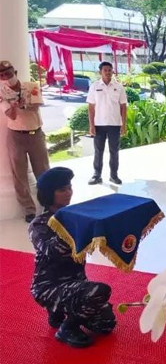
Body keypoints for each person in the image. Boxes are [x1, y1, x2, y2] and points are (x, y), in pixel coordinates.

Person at [29, 167, 116, 348]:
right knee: (101, 291)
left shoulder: (75, 216)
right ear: (48, 194)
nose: (68, 192)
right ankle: (67, 327)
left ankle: (58, 312)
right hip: (48, 287)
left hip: (75, 283)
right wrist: (77, 226)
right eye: (62, 190)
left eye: (69, 187)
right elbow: (54, 251)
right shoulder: (39, 224)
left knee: (106, 324)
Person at [0, 60, 50, 223]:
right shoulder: (2, 92)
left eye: (8, 73)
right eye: (1, 75)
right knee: (19, 174)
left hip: (35, 133)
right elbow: (11, 115)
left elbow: (37, 105)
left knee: (43, 170)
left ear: (15, 72)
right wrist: (14, 106)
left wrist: (24, 104)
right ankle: (29, 210)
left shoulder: (30, 86)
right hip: (15, 136)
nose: (6, 77)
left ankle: (49, 204)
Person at [87, 61, 127, 185]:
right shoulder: (94, 86)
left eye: (110, 70)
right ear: (100, 72)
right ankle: (96, 175)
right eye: (105, 70)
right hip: (99, 124)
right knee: (98, 151)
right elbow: (91, 107)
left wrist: (124, 125)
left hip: (115, 124)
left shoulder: (119, 87)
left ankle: (114, 175)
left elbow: (123, 106)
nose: (108, 72)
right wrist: (91, 125)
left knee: (114, 151)